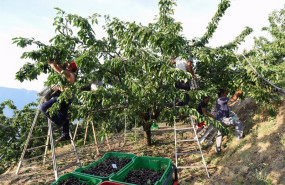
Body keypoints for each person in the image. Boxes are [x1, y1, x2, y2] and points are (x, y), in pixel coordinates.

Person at [40, 59, 77, 142]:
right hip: (67, 98)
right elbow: (60, 67)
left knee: (43, 107)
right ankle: (66, 134)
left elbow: (57, 69)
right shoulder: (71, 74)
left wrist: (51, 63)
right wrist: (58, 61)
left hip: (63, 98)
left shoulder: (68, 74)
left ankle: (58, 122)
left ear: (71, 68)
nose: (67, 66)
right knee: (63, 116)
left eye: (69, 66)